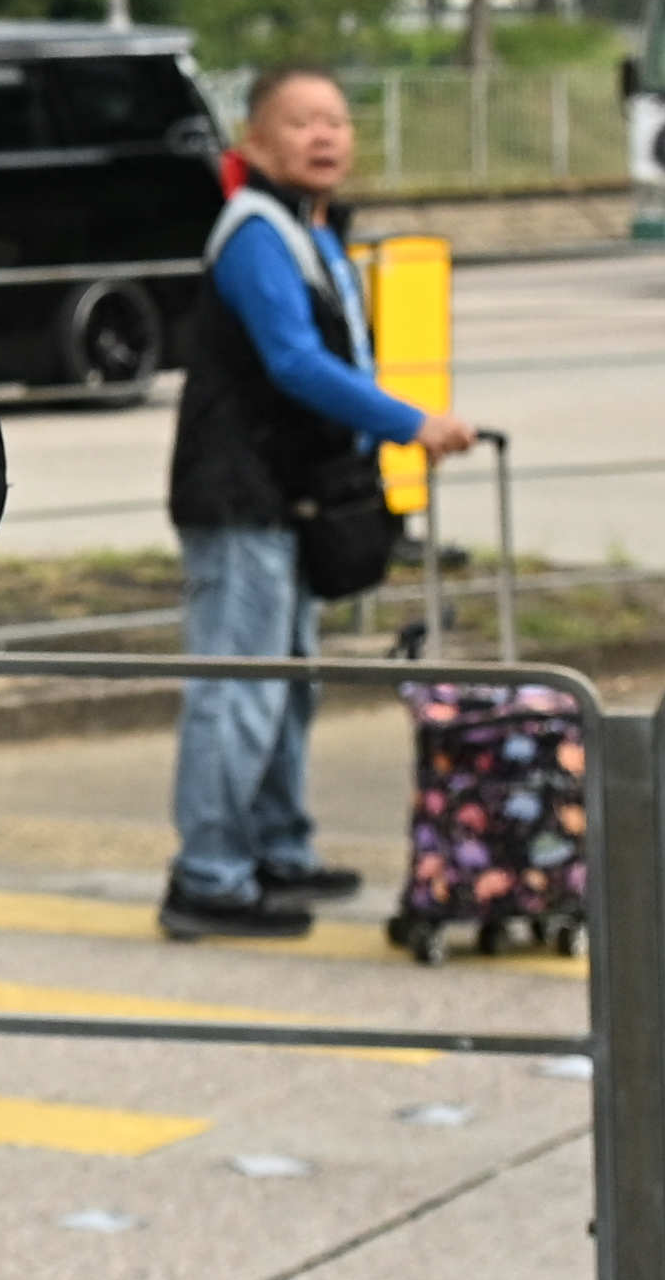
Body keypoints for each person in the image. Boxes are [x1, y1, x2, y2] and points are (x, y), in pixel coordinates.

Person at [160, 62, 478, 942]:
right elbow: (295, 363)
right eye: (301, 121)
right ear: (254, 143)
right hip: (240, 499)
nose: (326, 136)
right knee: (240, 689)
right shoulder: (257, 230)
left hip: (289, 496)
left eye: (337, 120)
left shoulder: (314, 231)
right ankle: (208, 879)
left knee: (286, 684)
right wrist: (412, 424)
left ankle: (275, 851)